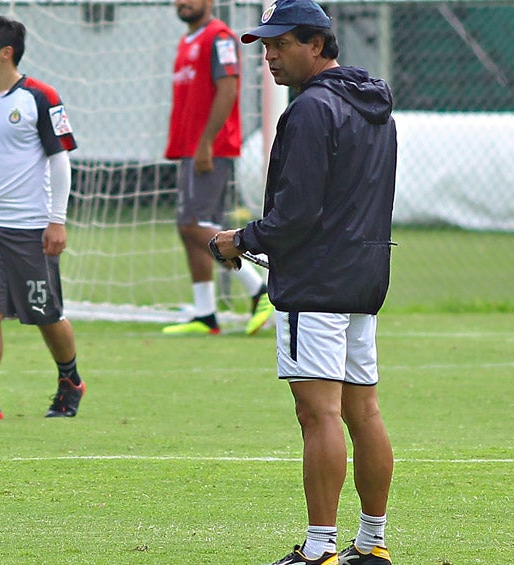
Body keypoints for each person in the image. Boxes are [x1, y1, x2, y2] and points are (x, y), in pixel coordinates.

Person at [211, 1, 397, 563]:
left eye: (280, 43)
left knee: (318, 414)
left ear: (316, 44)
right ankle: (372, 543)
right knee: (364, 413)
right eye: (264, 45)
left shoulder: (311, 109)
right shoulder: (374, 106)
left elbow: (296, 215)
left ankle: (320, 550)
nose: (268, 55)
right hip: (362, 279)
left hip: (315, 285)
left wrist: (238, 241)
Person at [0, 15, 85, 420]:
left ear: (5, 53)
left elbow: (60, 161)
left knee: (46, 313)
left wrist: (56, 220)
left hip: (32, 229)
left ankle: (70, 381)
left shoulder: (40, 97)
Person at [161, 0, 275, 337]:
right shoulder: (187, 41)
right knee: (190, 226)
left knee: (194, 224)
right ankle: (205, 314)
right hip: (190, 148)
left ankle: (260, 290)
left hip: (209, 147)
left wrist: (207, 142)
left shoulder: (220, 38)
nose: (184, 3)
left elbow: (228, 89)